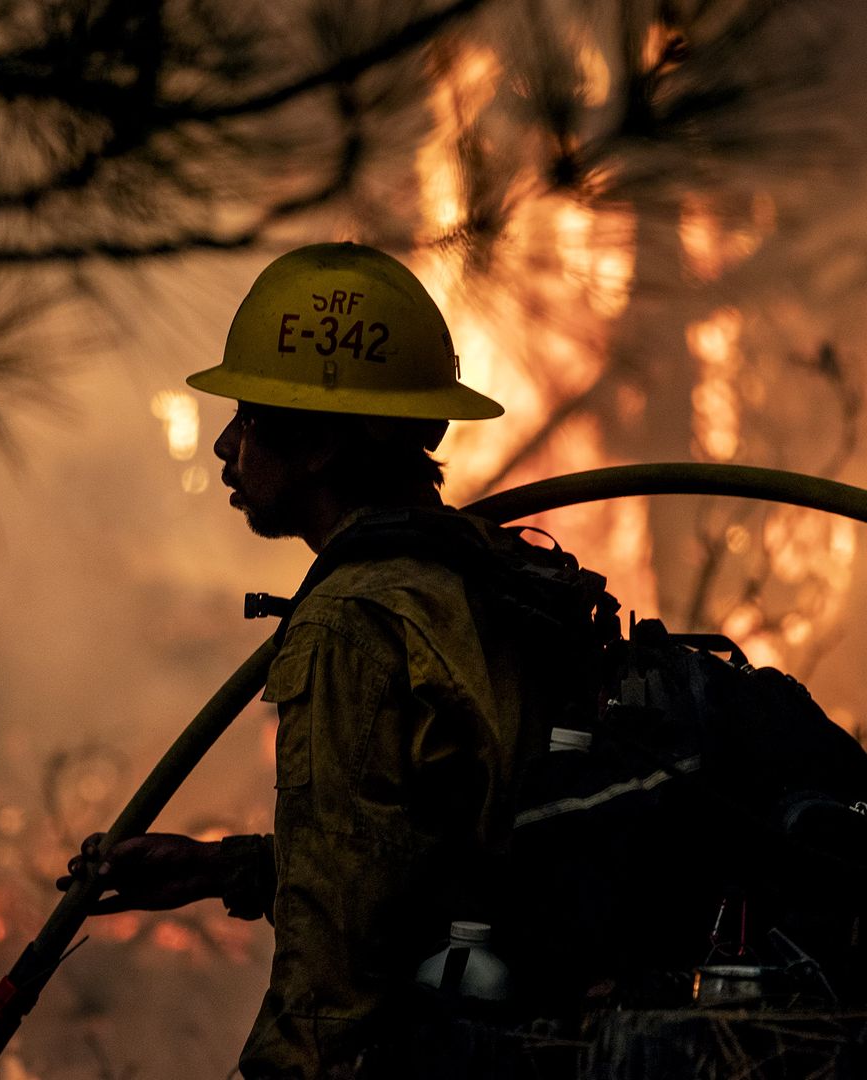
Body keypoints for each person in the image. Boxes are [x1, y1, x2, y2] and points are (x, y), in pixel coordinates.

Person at [55, 242, 524, 1078]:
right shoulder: (472, 576)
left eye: (252, 417)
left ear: (319, 446)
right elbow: (425, 864)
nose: (225, 445)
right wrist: (225, 869)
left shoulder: (351, 623)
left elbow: (332, 978)